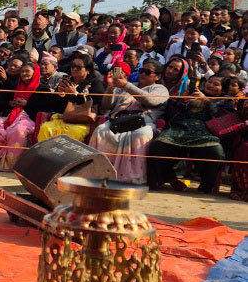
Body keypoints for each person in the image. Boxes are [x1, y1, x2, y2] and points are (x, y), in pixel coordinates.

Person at [147, 61, 224, 193]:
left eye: (216, 84)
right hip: (178, 130)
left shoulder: (223, 100)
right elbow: (170, 115)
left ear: (223, 89)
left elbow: (220, 116)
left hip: (204, 133)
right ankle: (171, 179)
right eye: (209, 82)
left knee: (216, 151)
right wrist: (181, 101)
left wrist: (206, 100)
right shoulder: (188, 95)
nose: (211, 85)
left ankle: (206, 185)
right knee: (158, 145)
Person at [89, 59, 168, 184]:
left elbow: (151, 101)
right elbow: (106, 106)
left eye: (148, 72)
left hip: (143, 122)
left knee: (141, 135)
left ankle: (133, 179)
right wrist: (110, 88)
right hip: (118, 120)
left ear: (157, 76)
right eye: (142, 70)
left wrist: (126, 85)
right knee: (100, 130)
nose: (143, 74)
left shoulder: (160, 89)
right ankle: (100, 172)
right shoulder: (127, 85)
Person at [36, 53, 103, 143]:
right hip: (63, 118)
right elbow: (53, 104)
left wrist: (74, 94)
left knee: (74, 132)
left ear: (87, 70)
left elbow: (95, 102)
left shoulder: (94, 83)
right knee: (46, 128)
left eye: (78, 67)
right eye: (73, 66)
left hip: (81, 120)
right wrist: (59, 94)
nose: (74, 69)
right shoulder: (67, 81)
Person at [0, 61, 40, 170]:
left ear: (34, 73)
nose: (24, 74)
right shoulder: (16, 86)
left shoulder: (42, 88)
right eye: (23, 71)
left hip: (29, 118)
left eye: (27, 71)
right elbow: (1, 101)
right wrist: (10, 103)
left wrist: (27, 104)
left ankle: (10, 164)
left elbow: (44, 107)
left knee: (18, 130)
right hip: (12, 115)